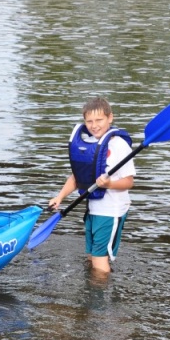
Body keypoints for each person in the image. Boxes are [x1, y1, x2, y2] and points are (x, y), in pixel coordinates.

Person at [48, 97, 136, 274]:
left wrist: (110, 183)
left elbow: (129, 182)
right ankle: (93, 290)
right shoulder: (89, 144)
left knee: (99, 260)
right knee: (91, 256)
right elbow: (76, 177)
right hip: (93, 209)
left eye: (99, 120)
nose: (94, 125)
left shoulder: (119, 145)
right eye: (89, 121)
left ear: (110, 118)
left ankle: (100, 299)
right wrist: (60, 197)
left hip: (111, 211)